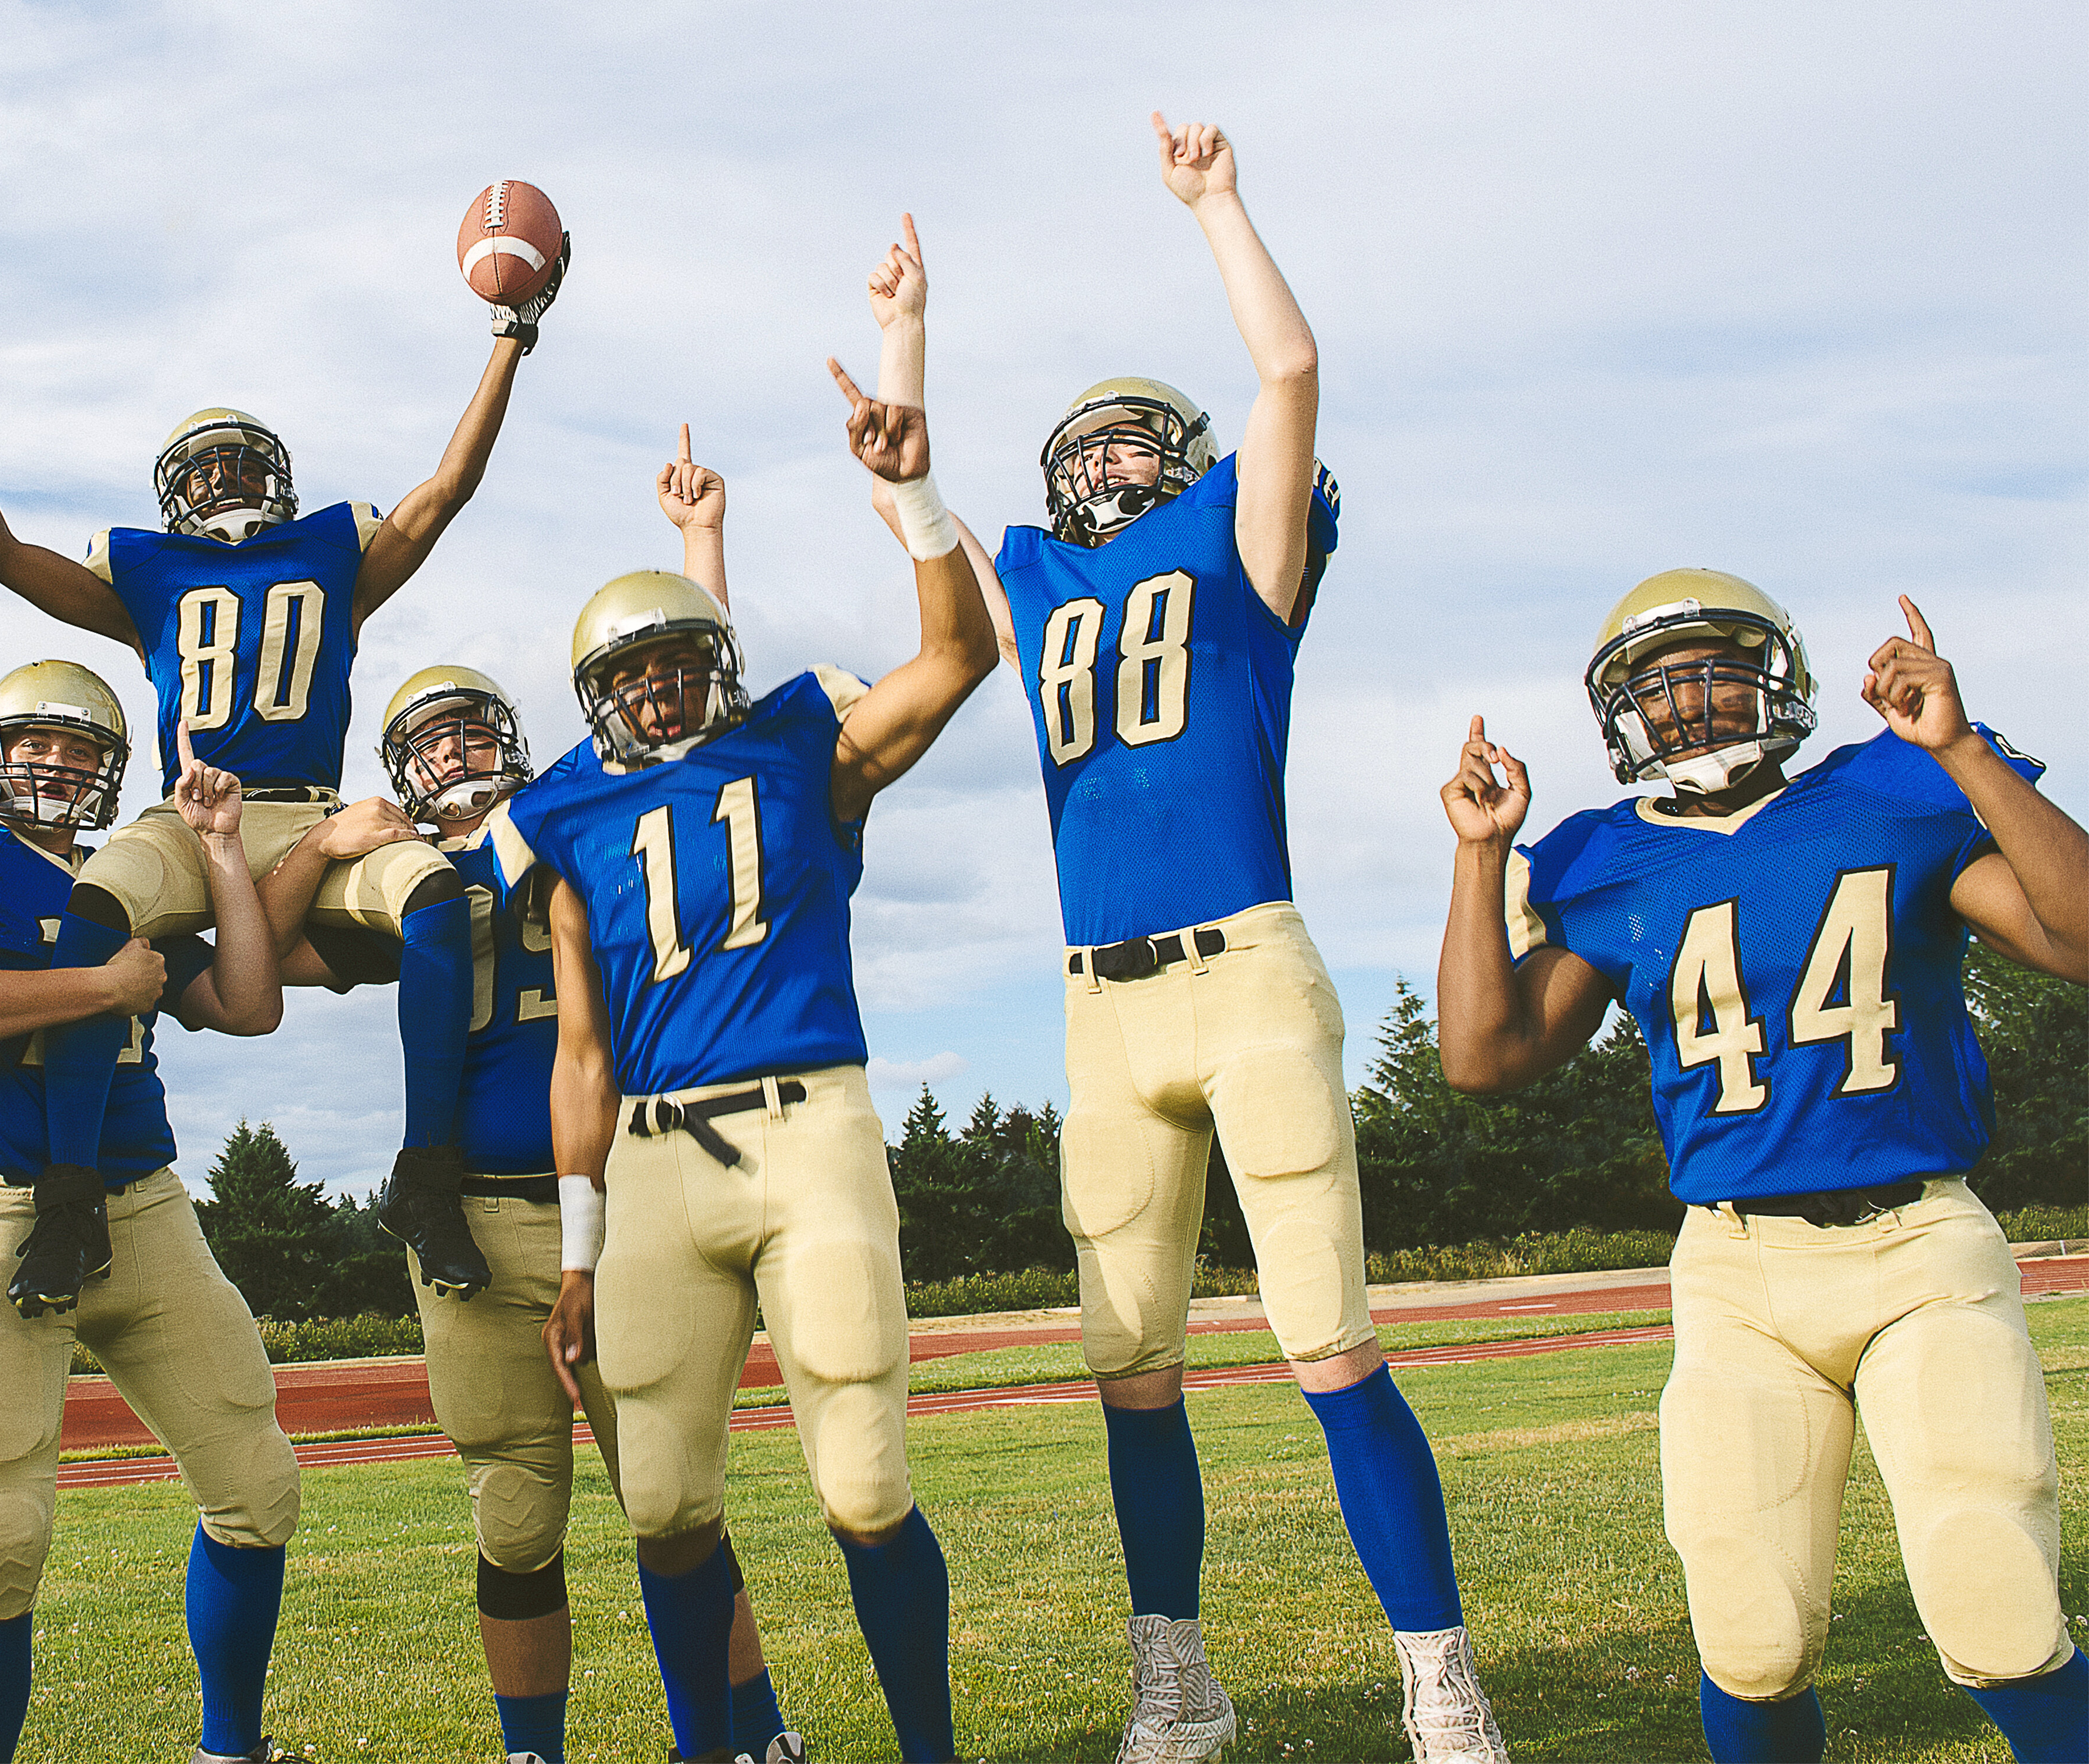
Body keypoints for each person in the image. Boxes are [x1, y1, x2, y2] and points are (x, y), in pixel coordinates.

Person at [867, 125, 1501, 1761]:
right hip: (1098, 1011)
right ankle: (1177, 1674)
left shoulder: (1241, 545)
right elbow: (917, 518)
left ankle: (1434, 1673)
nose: (1105, 466)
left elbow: (1286, 364)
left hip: (1244, 974)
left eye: (1137, 444)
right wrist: (900, 340)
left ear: (1190, 459)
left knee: (1327, 1343)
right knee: (1127, 1361)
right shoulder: (1033, 582)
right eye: (1085, 451)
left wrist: (1214, 205)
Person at [1433, 575, 2087, 1764]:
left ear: (1777, 674)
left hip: (1923, 1246)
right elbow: (1486, 1055)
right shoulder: (1603, 858)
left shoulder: (1894, 789)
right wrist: (1483, 857)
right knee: (1752, 1631)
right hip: (1738, 1268)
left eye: (1714, 667)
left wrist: (1963, 751)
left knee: (1993, 1595)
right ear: (1618, 713)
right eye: (1656, 682)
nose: (1688, 700)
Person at [253, 441, 798, 1764]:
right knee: (515, 1516)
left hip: (624, 1200)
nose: (457, 750)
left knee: (673, 1502)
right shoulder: (397, 883)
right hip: (476, 1235)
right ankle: (531, 1750)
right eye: (428, 737)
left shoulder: (573, 809)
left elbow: (691, 713)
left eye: (473, 726)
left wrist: (700, 549)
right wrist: (323, 841)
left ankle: (754, 1734)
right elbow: (255, 966)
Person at [503, 329, 998, 1763]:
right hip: (652, 1160)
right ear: (599, 697)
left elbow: (958, 653)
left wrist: (916, 500)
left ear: (716, 661)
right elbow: (580, 1053)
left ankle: (929, 1752)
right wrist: (580, 1248)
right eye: (632, 673)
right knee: (660, 1501)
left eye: (678, 661)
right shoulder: (570, 812)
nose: (658, 690)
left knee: (862, 1479)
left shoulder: (798, 739)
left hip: (807, 1126)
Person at [0, 242, 562, 1318]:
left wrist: (509, 338)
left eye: (242, 464)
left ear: (282, 478)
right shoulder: (145, 573)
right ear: (170, 495)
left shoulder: (333, 552)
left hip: (309, 806)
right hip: (191, 809)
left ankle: (426, 1175)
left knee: (444, 900)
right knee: (91, 914)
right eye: (204, 468)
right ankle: (71, 1200)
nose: (225, 482)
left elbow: (444, 490)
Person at [0, 663, 311, 1764]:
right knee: (0, 1537)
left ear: (112, 773)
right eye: (37, 744)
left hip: (141, 1201)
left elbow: (246, 1003)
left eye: (82, 751)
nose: (57, 767)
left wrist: (229, 852)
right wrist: (98, 987)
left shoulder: (136, 868)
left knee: (257, 1487)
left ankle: (229, 1750)